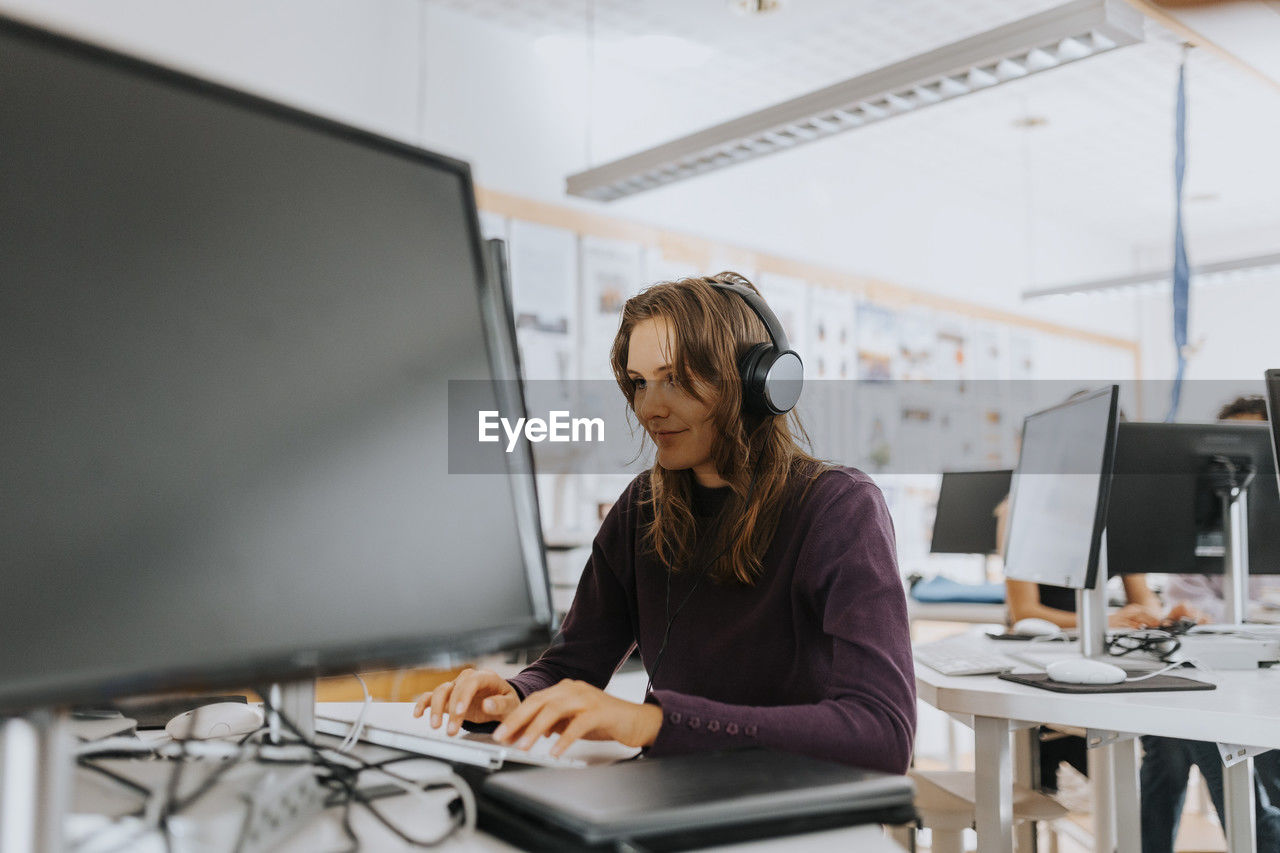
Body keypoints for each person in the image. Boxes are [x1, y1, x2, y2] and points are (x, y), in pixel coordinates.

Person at [412, 272, 916, 773]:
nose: (649, 408)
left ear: (758, 383)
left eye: (673, 378)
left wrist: (651, 723)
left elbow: (883, 733)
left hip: (799, 802)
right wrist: (512, 695)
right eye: (638, 382)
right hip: (677, 792)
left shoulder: (839, 510)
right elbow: (570, 667)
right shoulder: (641, 511)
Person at [1139, 395, 1280, 853]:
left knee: (1184, 733)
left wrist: (1233, 616)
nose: (1237, 472)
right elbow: (1189, 606)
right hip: (1221, 670)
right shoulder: (1195, 524)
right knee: (1178, 729)